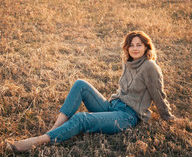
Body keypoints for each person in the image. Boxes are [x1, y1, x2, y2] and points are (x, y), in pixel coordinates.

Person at [6, 30, 175, 153]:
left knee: (81, 118)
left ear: (147, 47)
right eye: (131, 45)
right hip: (112, 106)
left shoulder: (150, 67)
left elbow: (158, 95)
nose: (135, 48)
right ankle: (54, 129)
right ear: (127, 48)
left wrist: (168, 118)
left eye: (139, 45)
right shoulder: (129, 63)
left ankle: (38, 141)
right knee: (80, 84)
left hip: (127, 116)